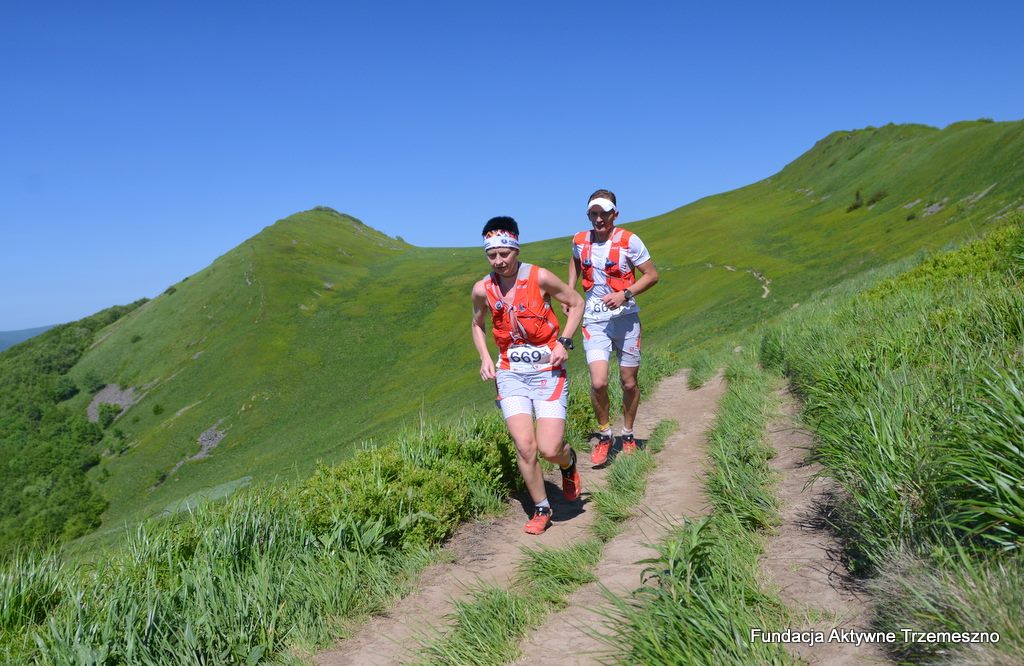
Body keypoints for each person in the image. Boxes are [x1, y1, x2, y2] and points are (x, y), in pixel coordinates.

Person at [471, 216, 585, 534]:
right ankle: (541, 508)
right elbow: (477, 324)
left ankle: (568, 463)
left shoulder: (540, 277)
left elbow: (576, 303)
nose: (499, 261)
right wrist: (485, 358)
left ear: (516, 248)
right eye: (492, 255)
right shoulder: (483, 289)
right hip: (511, 373)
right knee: (525, 445)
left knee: (550, 448)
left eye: (504, 253)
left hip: (548, 370)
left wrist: (564, 340)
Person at [566, 189, 659, 465]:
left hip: (626, 319)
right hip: (594, 319)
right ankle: (606, 436)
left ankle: (627, 435)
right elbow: (575, 262)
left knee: (629, 382)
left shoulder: (630, 241)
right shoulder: (580, 241)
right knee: (598, 381)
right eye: (593, 214)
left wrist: (625, 294)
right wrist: (570, 293)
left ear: (614, 214)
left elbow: (652, 275)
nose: (598, 219)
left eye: (603, 214)